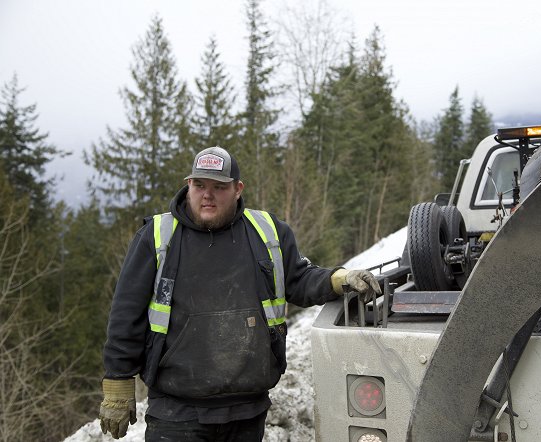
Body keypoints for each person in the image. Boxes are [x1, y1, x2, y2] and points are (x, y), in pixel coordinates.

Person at [99, 146, 381, 441]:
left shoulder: (268, 232)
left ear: (237, 189)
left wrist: (339, 279)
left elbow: (298, 278)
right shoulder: (157, 236)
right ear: (188, 186)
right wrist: (118, 381)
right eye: (199, 185)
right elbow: (126, 313)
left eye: (219, 187)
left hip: (247, 409)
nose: (207, 195)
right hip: (176, 411)